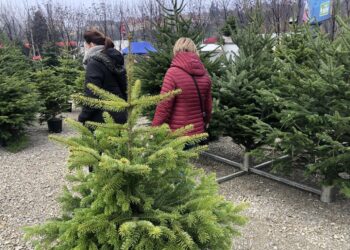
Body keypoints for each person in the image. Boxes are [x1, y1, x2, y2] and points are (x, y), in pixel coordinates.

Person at [152, 37, 212, 139]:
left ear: (176, 50)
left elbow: (164, 105)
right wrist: (205, 122)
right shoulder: (205, 74)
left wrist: (154, 129)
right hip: (198, 132)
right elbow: (208, 106)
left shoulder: (172, 73)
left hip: (178, 134)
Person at [78, 29, 127, 125]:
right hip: (120, 114)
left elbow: (92, 94)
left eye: (85, 46)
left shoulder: (94, 63)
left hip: (101, 119)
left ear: (90, 45)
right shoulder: (113, 58)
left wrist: (83, 116)